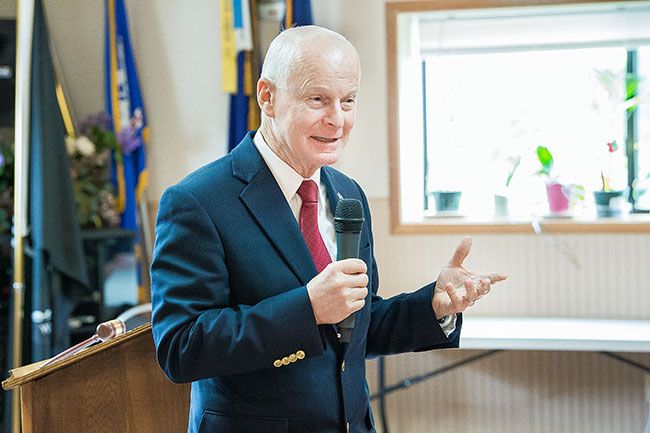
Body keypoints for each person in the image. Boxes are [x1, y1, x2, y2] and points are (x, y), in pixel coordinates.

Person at [151, 25, 506, 433]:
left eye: (348, 100)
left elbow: (355, 324)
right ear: (268, 97)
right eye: (317, 99)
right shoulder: (197, 201)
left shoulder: (347, 193)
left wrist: (434, 307)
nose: (337, 119)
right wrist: (308, 308)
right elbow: (181, 349)